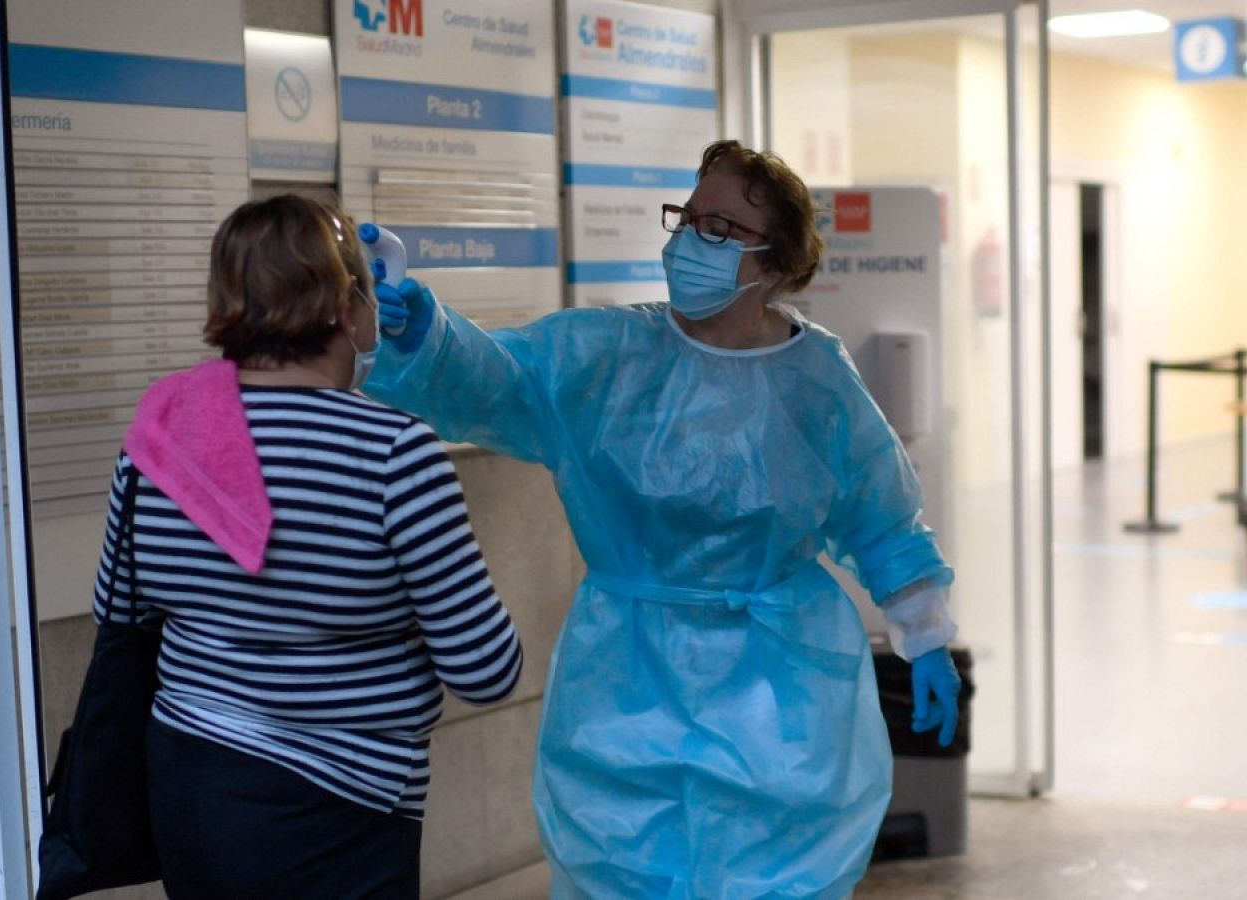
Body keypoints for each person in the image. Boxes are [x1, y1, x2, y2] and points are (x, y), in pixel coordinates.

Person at [365, 140, 962, 898]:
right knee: (624, 868)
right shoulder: (605, 355)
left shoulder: (817, 380)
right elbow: (498, 379)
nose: (689, 241)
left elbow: (882, 515)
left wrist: (927, 636)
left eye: (719, 228)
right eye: (687, 218)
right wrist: (428, 337)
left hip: (779, 693)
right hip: (627, 680)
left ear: (776, 261)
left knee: (772, 875)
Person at [92, 194, 524, 898]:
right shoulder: (395, 453)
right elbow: (485, 669)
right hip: (338, 809)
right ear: (348, 308)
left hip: (187, 787)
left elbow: (117, 611)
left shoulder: (159, 439)